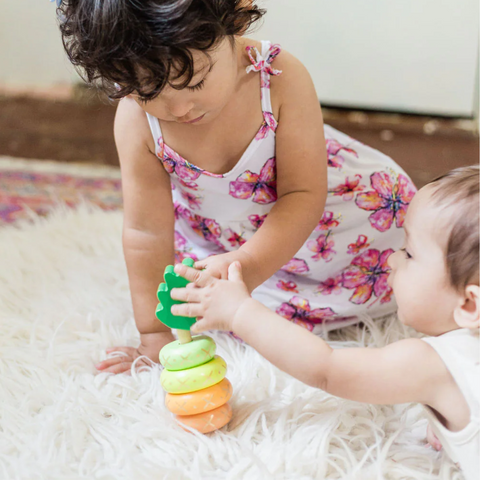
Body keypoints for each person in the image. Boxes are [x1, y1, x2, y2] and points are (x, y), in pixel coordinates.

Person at [58, 0, 415, 374]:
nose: (178, 109)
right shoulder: (135, 120)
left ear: (236, 19)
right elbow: (145, 231)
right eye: (148, 92)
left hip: (325, 219)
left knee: (401, 259)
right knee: (204, 293)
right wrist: (155, 334)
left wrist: (247, 266)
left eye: (195, 81)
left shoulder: (279, 76)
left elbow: (303, 195)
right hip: (223, 235)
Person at [170, 165, 479, 480]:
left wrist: (239, 312)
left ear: (469, 304)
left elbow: (326, 368)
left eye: (409, 253)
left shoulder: (431, 364)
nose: (391, 259)